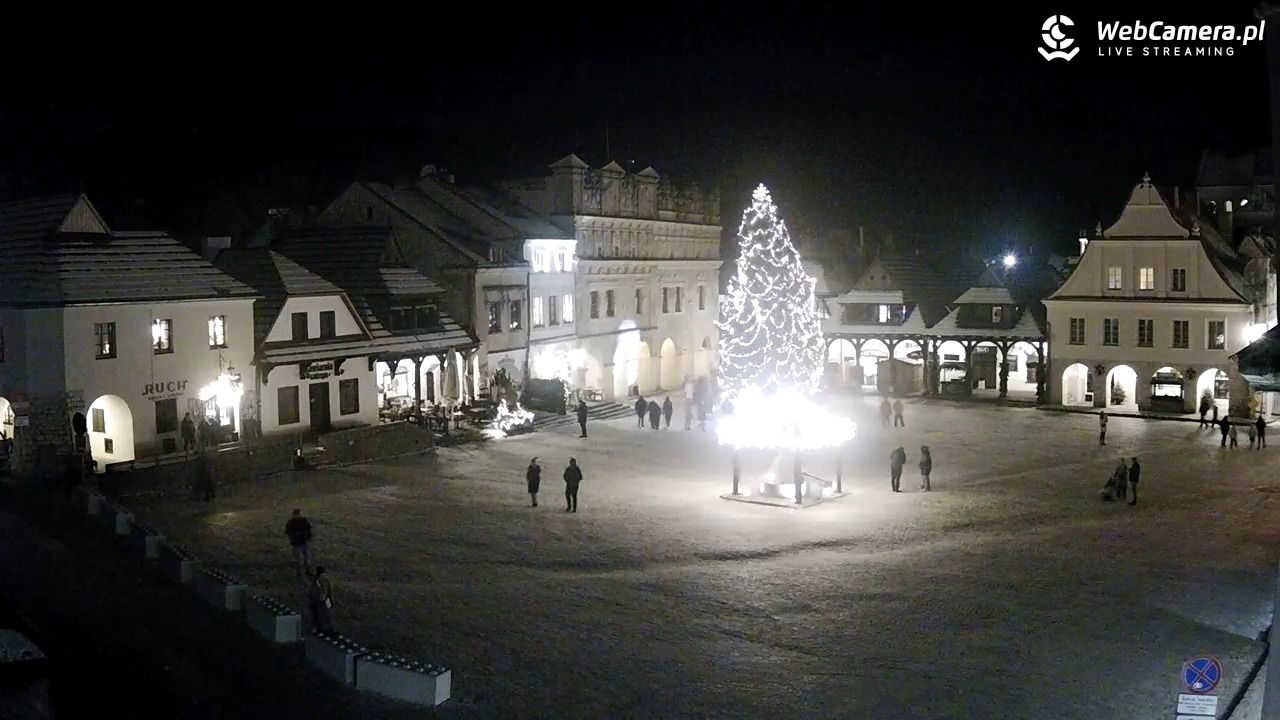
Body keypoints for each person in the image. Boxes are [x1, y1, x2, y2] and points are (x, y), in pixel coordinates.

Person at [285, 509, 313, 577]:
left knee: (305, 558)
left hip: (302, 542)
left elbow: (308, 530)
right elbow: (289, 532)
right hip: (297, 543)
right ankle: (301, 572)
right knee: (300, 559)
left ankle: (305, 571)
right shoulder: (292, 523)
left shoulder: (302, 521)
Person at [308, 566, 335, 635]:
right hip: (324, 599)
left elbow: (313, 591)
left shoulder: (317, 580)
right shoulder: (325, 579)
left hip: (320, 600)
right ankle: (328, 629)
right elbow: (330, 589)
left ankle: (323, 628)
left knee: (322, 615)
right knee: (326, 615)